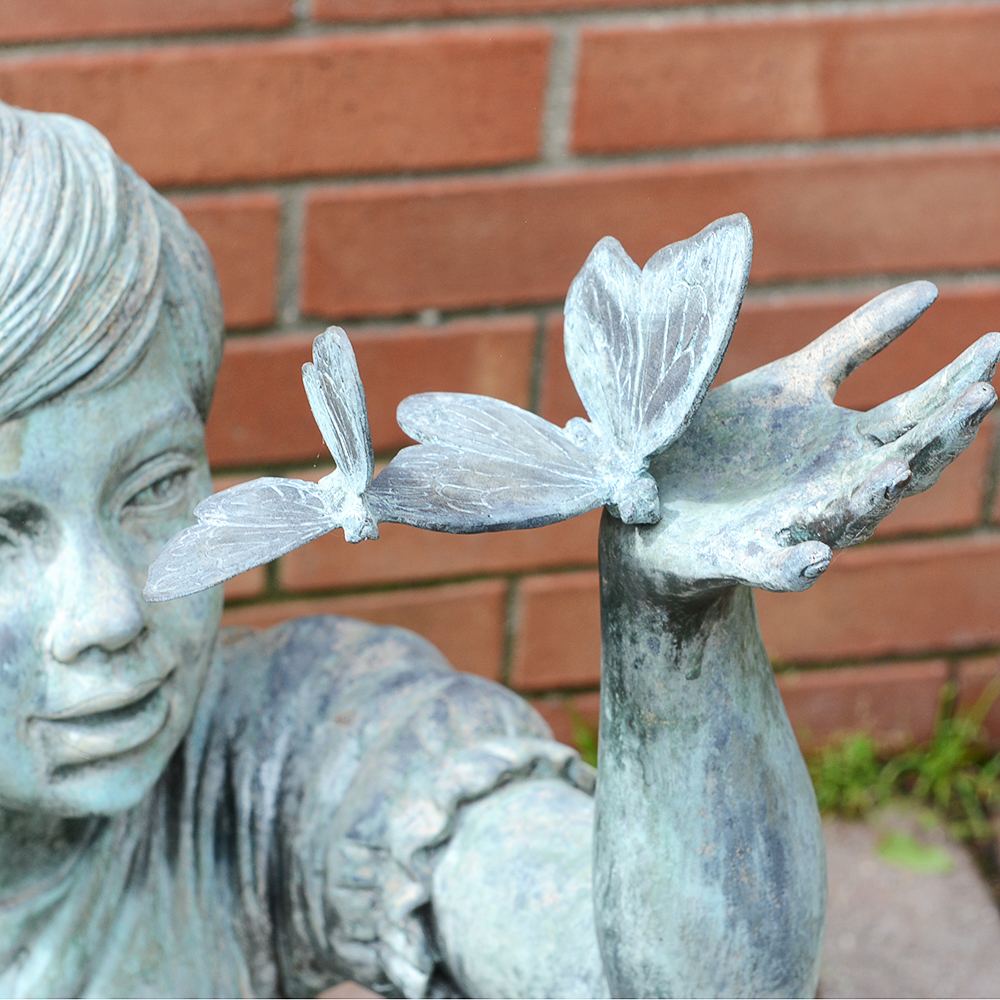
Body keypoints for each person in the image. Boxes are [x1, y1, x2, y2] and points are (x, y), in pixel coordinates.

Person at [0, 100, 995, 999]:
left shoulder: (284, 749)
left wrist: (670, 645)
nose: (112, 614)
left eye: (157, 483)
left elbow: (686, 983)